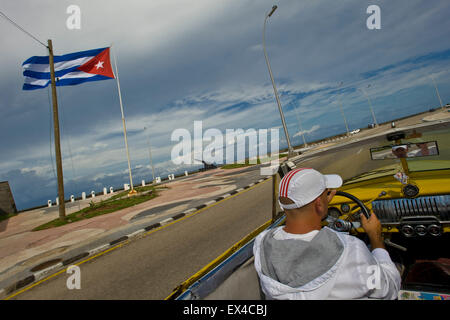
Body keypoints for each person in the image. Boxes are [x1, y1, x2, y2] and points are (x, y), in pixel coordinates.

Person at [253, 168, 401, 299]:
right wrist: (376, 238)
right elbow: (389, 288)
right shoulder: (350, 251)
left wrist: (321, 205)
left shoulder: (262, 243)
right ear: (318, 203)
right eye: (325, 193)